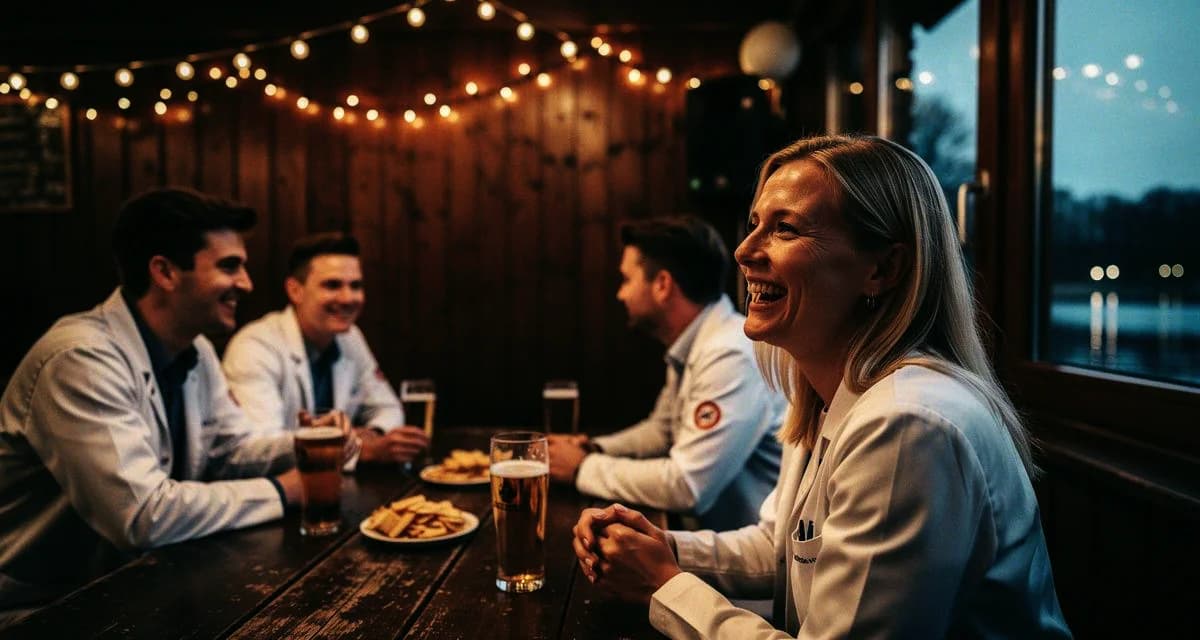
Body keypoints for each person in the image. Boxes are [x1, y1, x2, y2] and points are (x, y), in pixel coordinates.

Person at [572, 135, 1072, 638]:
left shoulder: (907, 425)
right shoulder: (825, 391)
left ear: (882, 269)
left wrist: (665, 585)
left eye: (785, 229)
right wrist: (664, 547)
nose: (745, 251)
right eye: (754, 227)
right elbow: (783, 547)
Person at [0, 188, 318, 618]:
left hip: (135, 590)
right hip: (45, 610)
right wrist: (283, 491)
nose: (246, 283)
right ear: (165, 272)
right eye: (230, 266)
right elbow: (143, 516)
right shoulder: (79, 358)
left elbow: (231, 450)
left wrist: (309, 441)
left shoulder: (197, 349)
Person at [548, 216, 788, 532]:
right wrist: (595, 448)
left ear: (662, 285)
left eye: (626, 280)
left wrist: (582, 468)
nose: (621, 294)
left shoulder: (730, 354)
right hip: (709, 541)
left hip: (748, 563)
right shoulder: (696, 341)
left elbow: (687, 486)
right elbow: (661, 431)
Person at [223, 232, 427, 469]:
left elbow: (387, 408)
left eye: (356, 286)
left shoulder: (350, 337)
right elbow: (259, 451)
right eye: (332, 285)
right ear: (295, 290)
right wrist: (359, 451)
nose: (348, 297)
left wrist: (371, 433)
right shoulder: (254, 347)